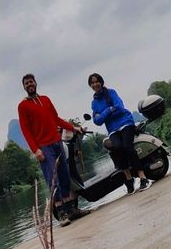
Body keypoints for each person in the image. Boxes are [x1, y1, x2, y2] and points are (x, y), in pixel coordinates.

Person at [18, 73, 85, 226]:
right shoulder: (23, 106)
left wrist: (73, 128)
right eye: (27, 83)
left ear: (36, 83)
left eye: (31, 82)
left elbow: (56, 119)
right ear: (24, 87)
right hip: (43, 147)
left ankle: (71, 209)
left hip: (56, 141)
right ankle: (61, 213)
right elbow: (25, 130)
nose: (30, 85)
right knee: (53, 179)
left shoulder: (46, 99)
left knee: (64, 176)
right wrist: (35, 150)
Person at [88, 72, 151, 194]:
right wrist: (109, 110)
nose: (95, 84)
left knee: (127, 146)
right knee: (117, 148)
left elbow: (119, 108)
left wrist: (104, 114)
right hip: (113, 129)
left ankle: (143, 177)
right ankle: (129, 178)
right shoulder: (94, 103)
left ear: (101, 82)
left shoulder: (111, 93)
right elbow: (97, 121)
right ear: (90, 85)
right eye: (92, 82)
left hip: (125, 122)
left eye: (97, 81)